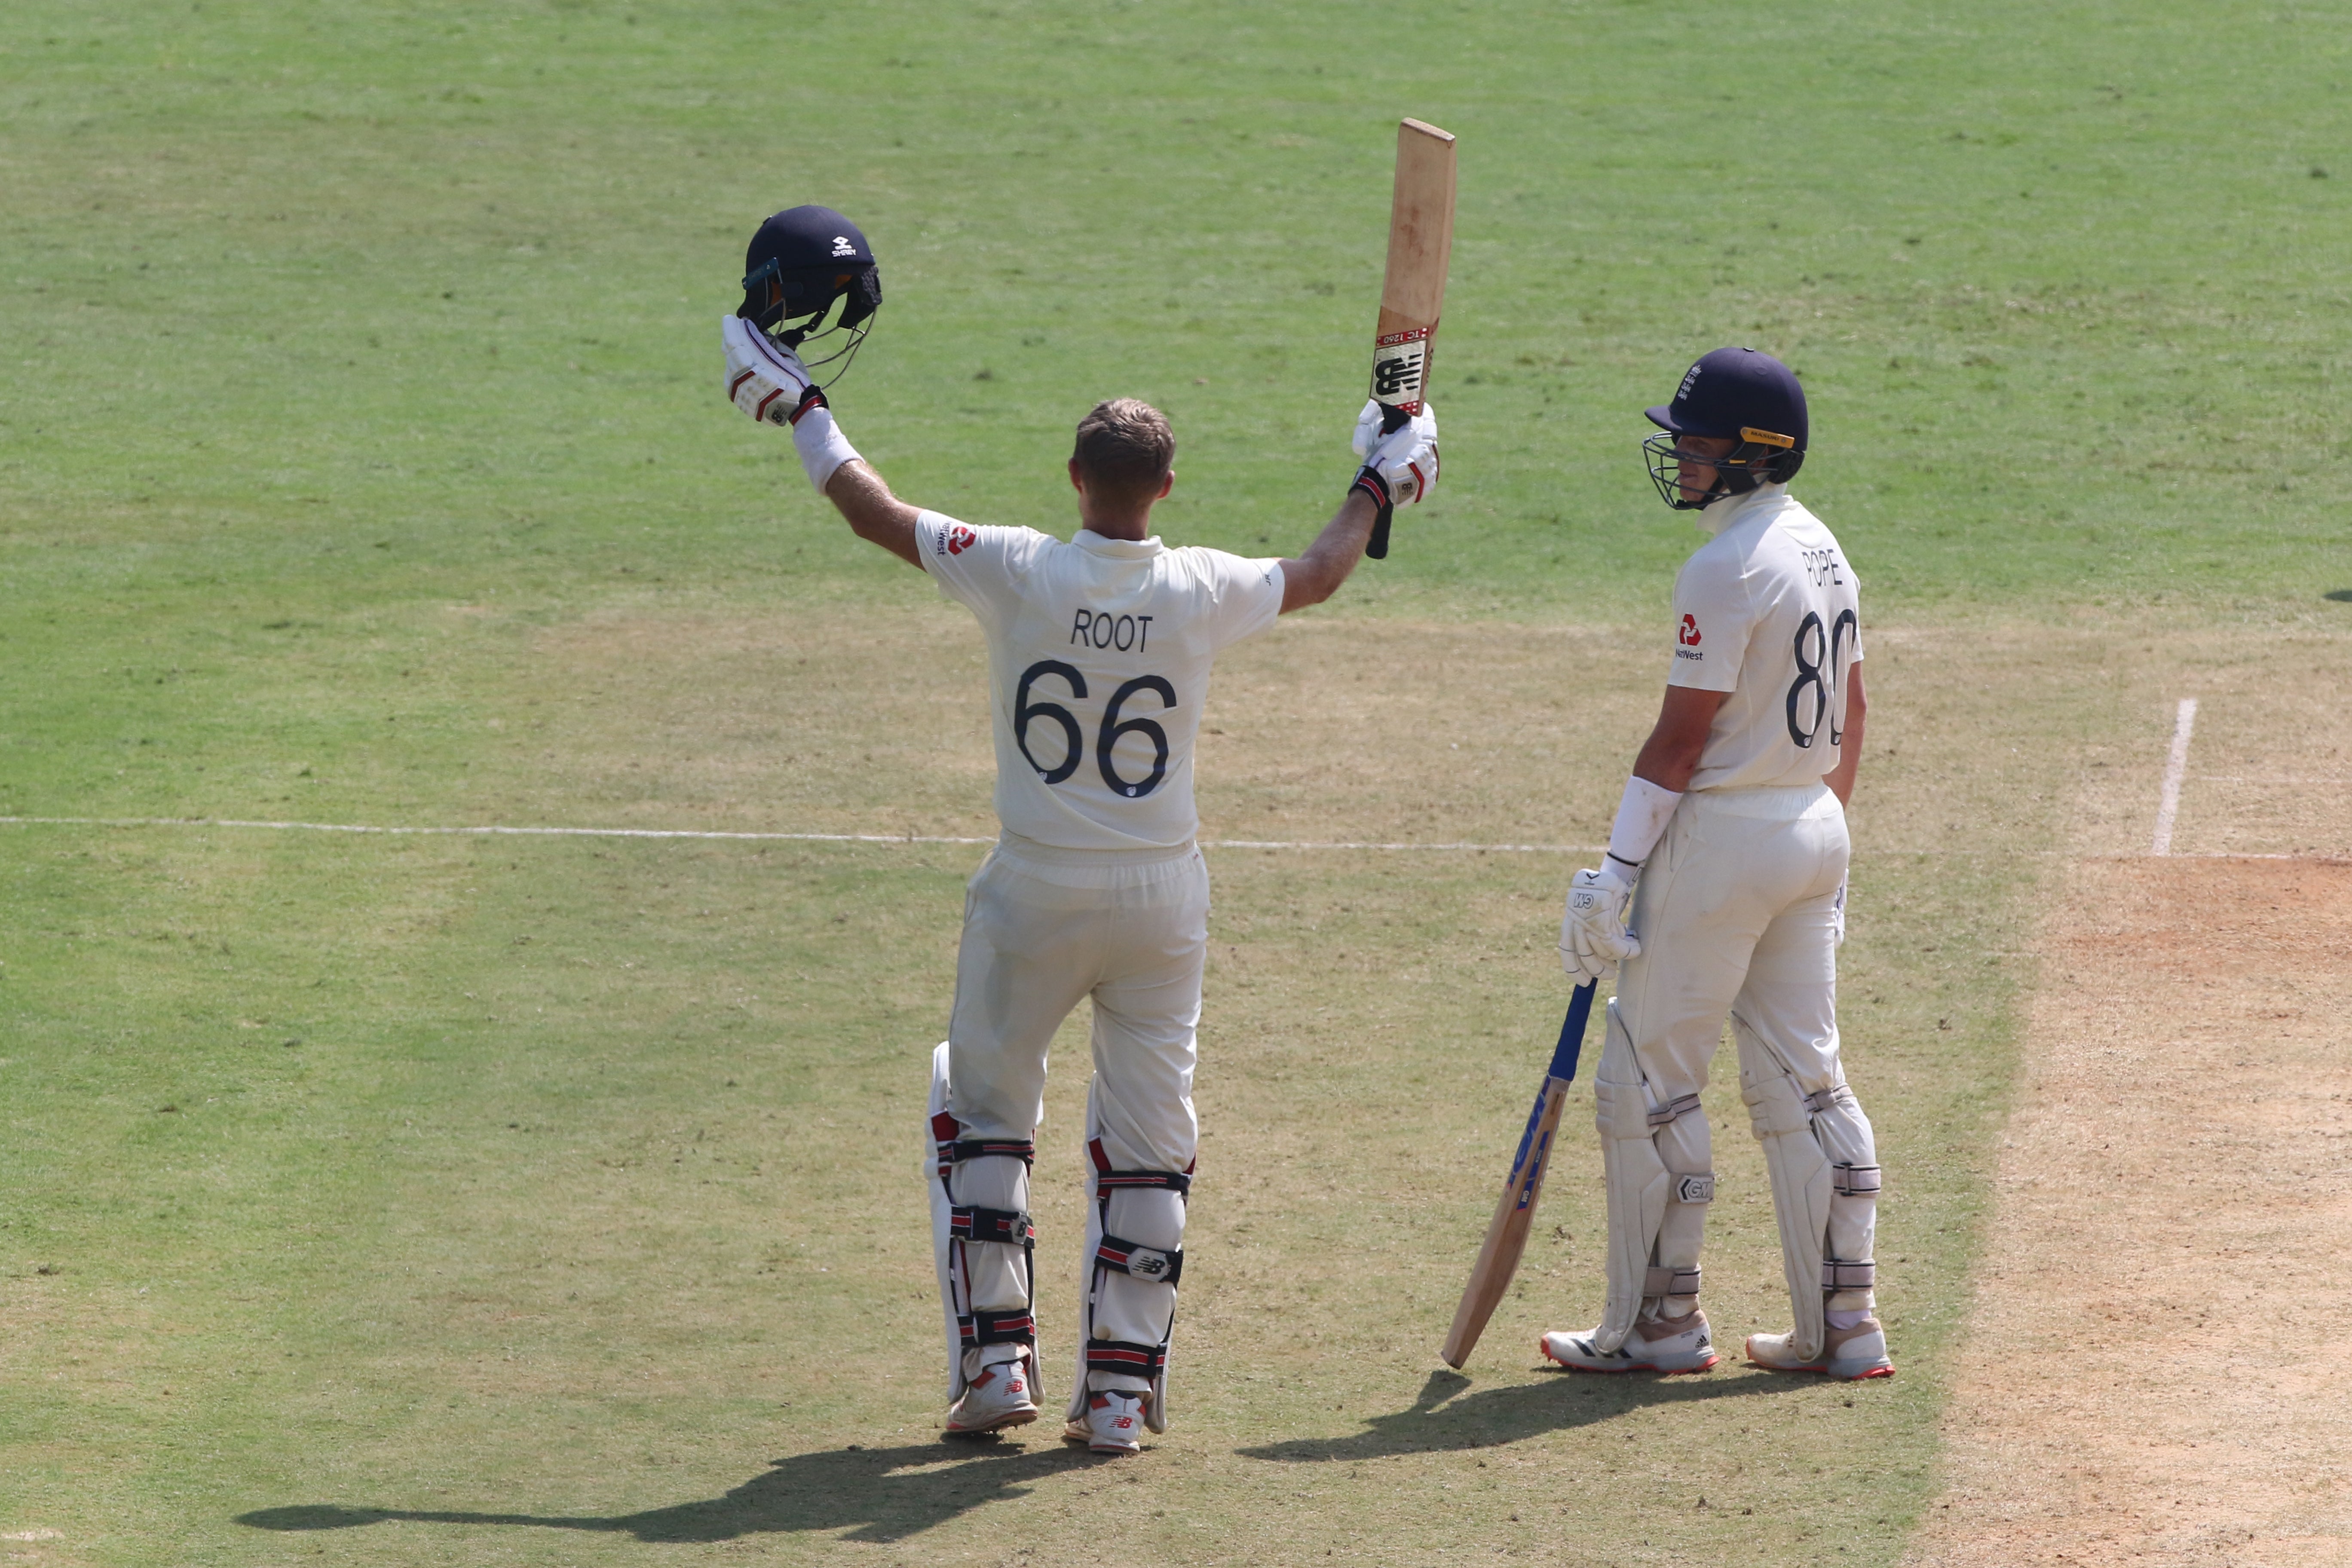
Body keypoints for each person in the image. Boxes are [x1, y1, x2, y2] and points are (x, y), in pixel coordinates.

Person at [720, 220, 1440, 1451]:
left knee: (983, 1114)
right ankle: (1118, 1397)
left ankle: (1000, 1371)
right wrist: (1385, 471)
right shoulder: (1203, 585)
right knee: (1151, 1138)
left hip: (1034, 892)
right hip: (1164, 901)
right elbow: (1321, 571)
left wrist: (803, 411)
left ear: (1071, 476)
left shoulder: (1016, 570)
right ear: (1165, 488)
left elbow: (875, 513)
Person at [1541, 346, 1890, 1381]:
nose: (1680, 456)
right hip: (1811, 826)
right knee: (1806, 1082)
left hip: (1725, 838)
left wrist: (1614, 871)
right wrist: (1828, 843)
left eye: (1697, 441)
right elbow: (1855, 712)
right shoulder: (1822, 545)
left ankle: (1657, 1326)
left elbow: (1679, 743)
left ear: (1754, 451)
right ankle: (1846, 1326)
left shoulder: (1724, 565)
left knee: (1647, 1081)